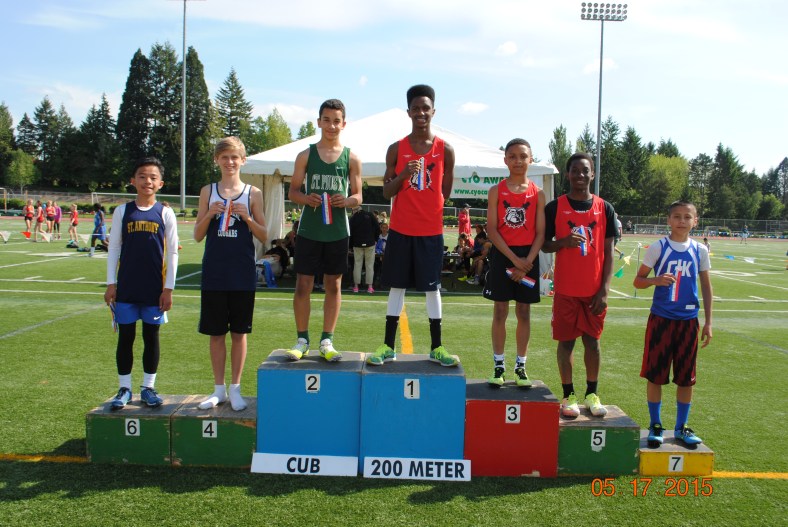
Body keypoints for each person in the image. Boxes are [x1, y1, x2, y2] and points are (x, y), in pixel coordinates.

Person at [367, 84, 458, 367]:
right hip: (401, 230)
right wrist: (405, 174)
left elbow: (446, 191)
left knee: (433, 289)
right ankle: (387, 345)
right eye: (416, 108)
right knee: (397, 286)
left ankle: (437, 346)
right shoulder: (397, 149)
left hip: (430, 231)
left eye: (425, 108)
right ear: (409, 112)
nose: (421, 113)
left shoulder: (446, 149)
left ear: (433, 111)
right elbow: (386, 192)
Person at [285, 99, 362, 362]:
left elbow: (359, 195)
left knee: (334, 284)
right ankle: (302, 340)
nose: (331, 125)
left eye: (336, 120)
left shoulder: (352, 157)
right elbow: (293, 191)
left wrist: (348, 201)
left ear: (344, 124)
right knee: (303, 284)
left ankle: (327, 340)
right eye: (326, 120)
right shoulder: (305, 155)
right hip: (309, 229)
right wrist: (306, 198)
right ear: (318, 122)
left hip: (338, 230)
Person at [194, 136, 268, 411]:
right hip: (214, 272)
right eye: (224, 157)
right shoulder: (207, 191)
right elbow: (198, 235)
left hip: (241, 272)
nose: (230, 162)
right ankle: (218, 390)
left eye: (234, 157)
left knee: (239, 332)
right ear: (217, 160)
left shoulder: (253, 193)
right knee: (216, 334)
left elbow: (264, 234)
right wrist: (209, 215)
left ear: (243, 160)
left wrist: (247, 218)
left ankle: (236, 389)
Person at [542, 152, 617, 418]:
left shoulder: (604, 208)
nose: (580, 175)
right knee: (566, 343)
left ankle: (592, 393)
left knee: (593, 343)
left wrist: (604, 290)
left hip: (593, 292)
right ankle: (568, 395)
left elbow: (609, 252)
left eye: (585, 171)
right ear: (568, 174)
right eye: (575, 170)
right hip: (565, 291)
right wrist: (562, 242)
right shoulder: (555, 206)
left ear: (592, 174)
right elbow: (543, 243)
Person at [633, 200, 713, 447]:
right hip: (661, 320)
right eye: (676, 216)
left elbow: (707, 288)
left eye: (687, 217)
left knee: (686, 378)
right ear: (668, 220)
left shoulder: (700, 250)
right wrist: (655, 280)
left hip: (688, 322)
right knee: (655, 376)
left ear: (695, 221)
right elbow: (638, 281)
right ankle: (656, 424)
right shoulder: (659, 247)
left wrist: (708, 322)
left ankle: (681, 426)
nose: (681, 221)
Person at [104, 157, 179, 409]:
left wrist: (168, 288)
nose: (148, 181)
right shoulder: (122, 211)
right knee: (125, 338)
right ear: (132, 181)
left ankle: (148, 387)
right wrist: (110, 283)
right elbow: (114, 247)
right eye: (142, 176)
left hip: (154, 290)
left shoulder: (166, 212)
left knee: (151, 337)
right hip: (126, 287)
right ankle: (124, 388)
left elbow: (173, 253)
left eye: (153, 177)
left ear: (161, 183)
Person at [484, 139, 545, 387]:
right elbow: (491, 229)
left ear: (531, 159)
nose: (518, 161)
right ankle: (499, 366)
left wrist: (527, 261)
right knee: (500, 311)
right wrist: (514, 261)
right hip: (504, 255)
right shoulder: (496, 191)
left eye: (523, 156)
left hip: (528, 257)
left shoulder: (538, 193)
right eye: (513, 156)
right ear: (505, 160)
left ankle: (521, 367)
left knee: (524, 312)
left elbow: (541, 232)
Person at [349, 206, 380, 293]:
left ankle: (356, 287)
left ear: (354, 209)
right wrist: (375, 239)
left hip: (357, 244)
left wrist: (350, 246)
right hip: (370, 243)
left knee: (357, 265)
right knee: (369, 265)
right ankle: (370, 287)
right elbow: (377, 228)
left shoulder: (353, 218)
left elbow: (350, 233)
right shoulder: (370, 215)